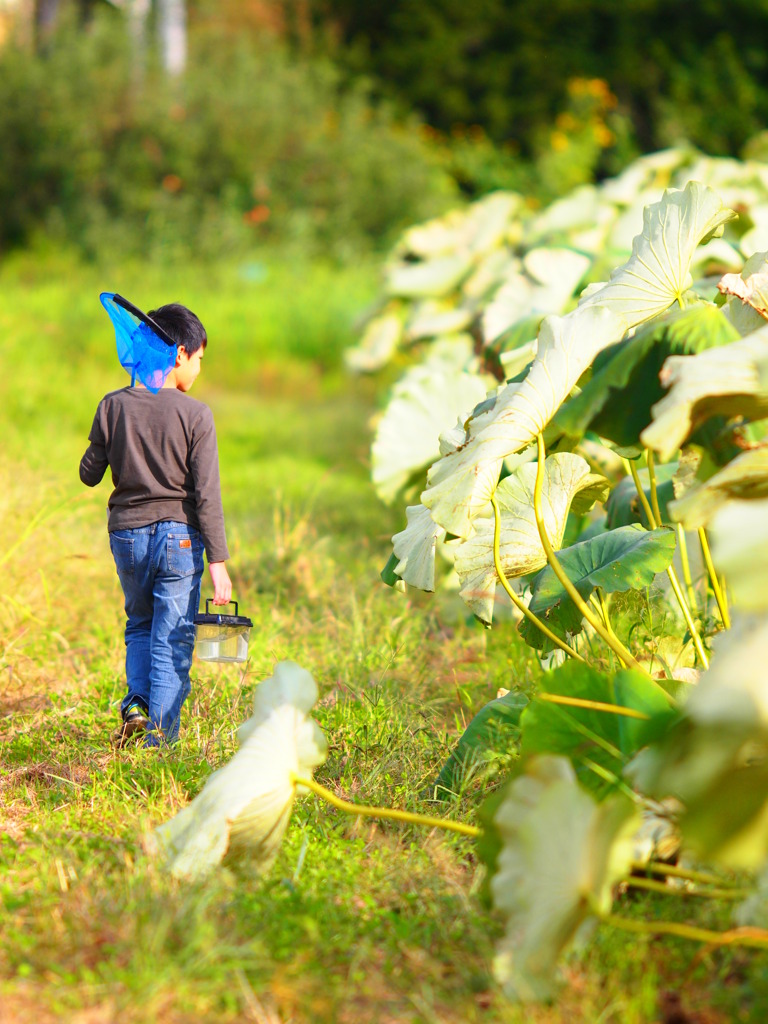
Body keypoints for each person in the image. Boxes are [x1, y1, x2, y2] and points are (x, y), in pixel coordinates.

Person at [79, 302, 232, 748]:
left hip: (127, 537)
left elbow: (89, 473)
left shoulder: (112, 405)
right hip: (179, 539)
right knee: (173, 637)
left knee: (141, 624)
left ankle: (137, 706)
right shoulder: (196, 415)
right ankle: (158, 746)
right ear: (180, 353)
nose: (199, 369)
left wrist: (109, 435)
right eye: (200, 358)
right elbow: (206, 495)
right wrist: (219, 560)